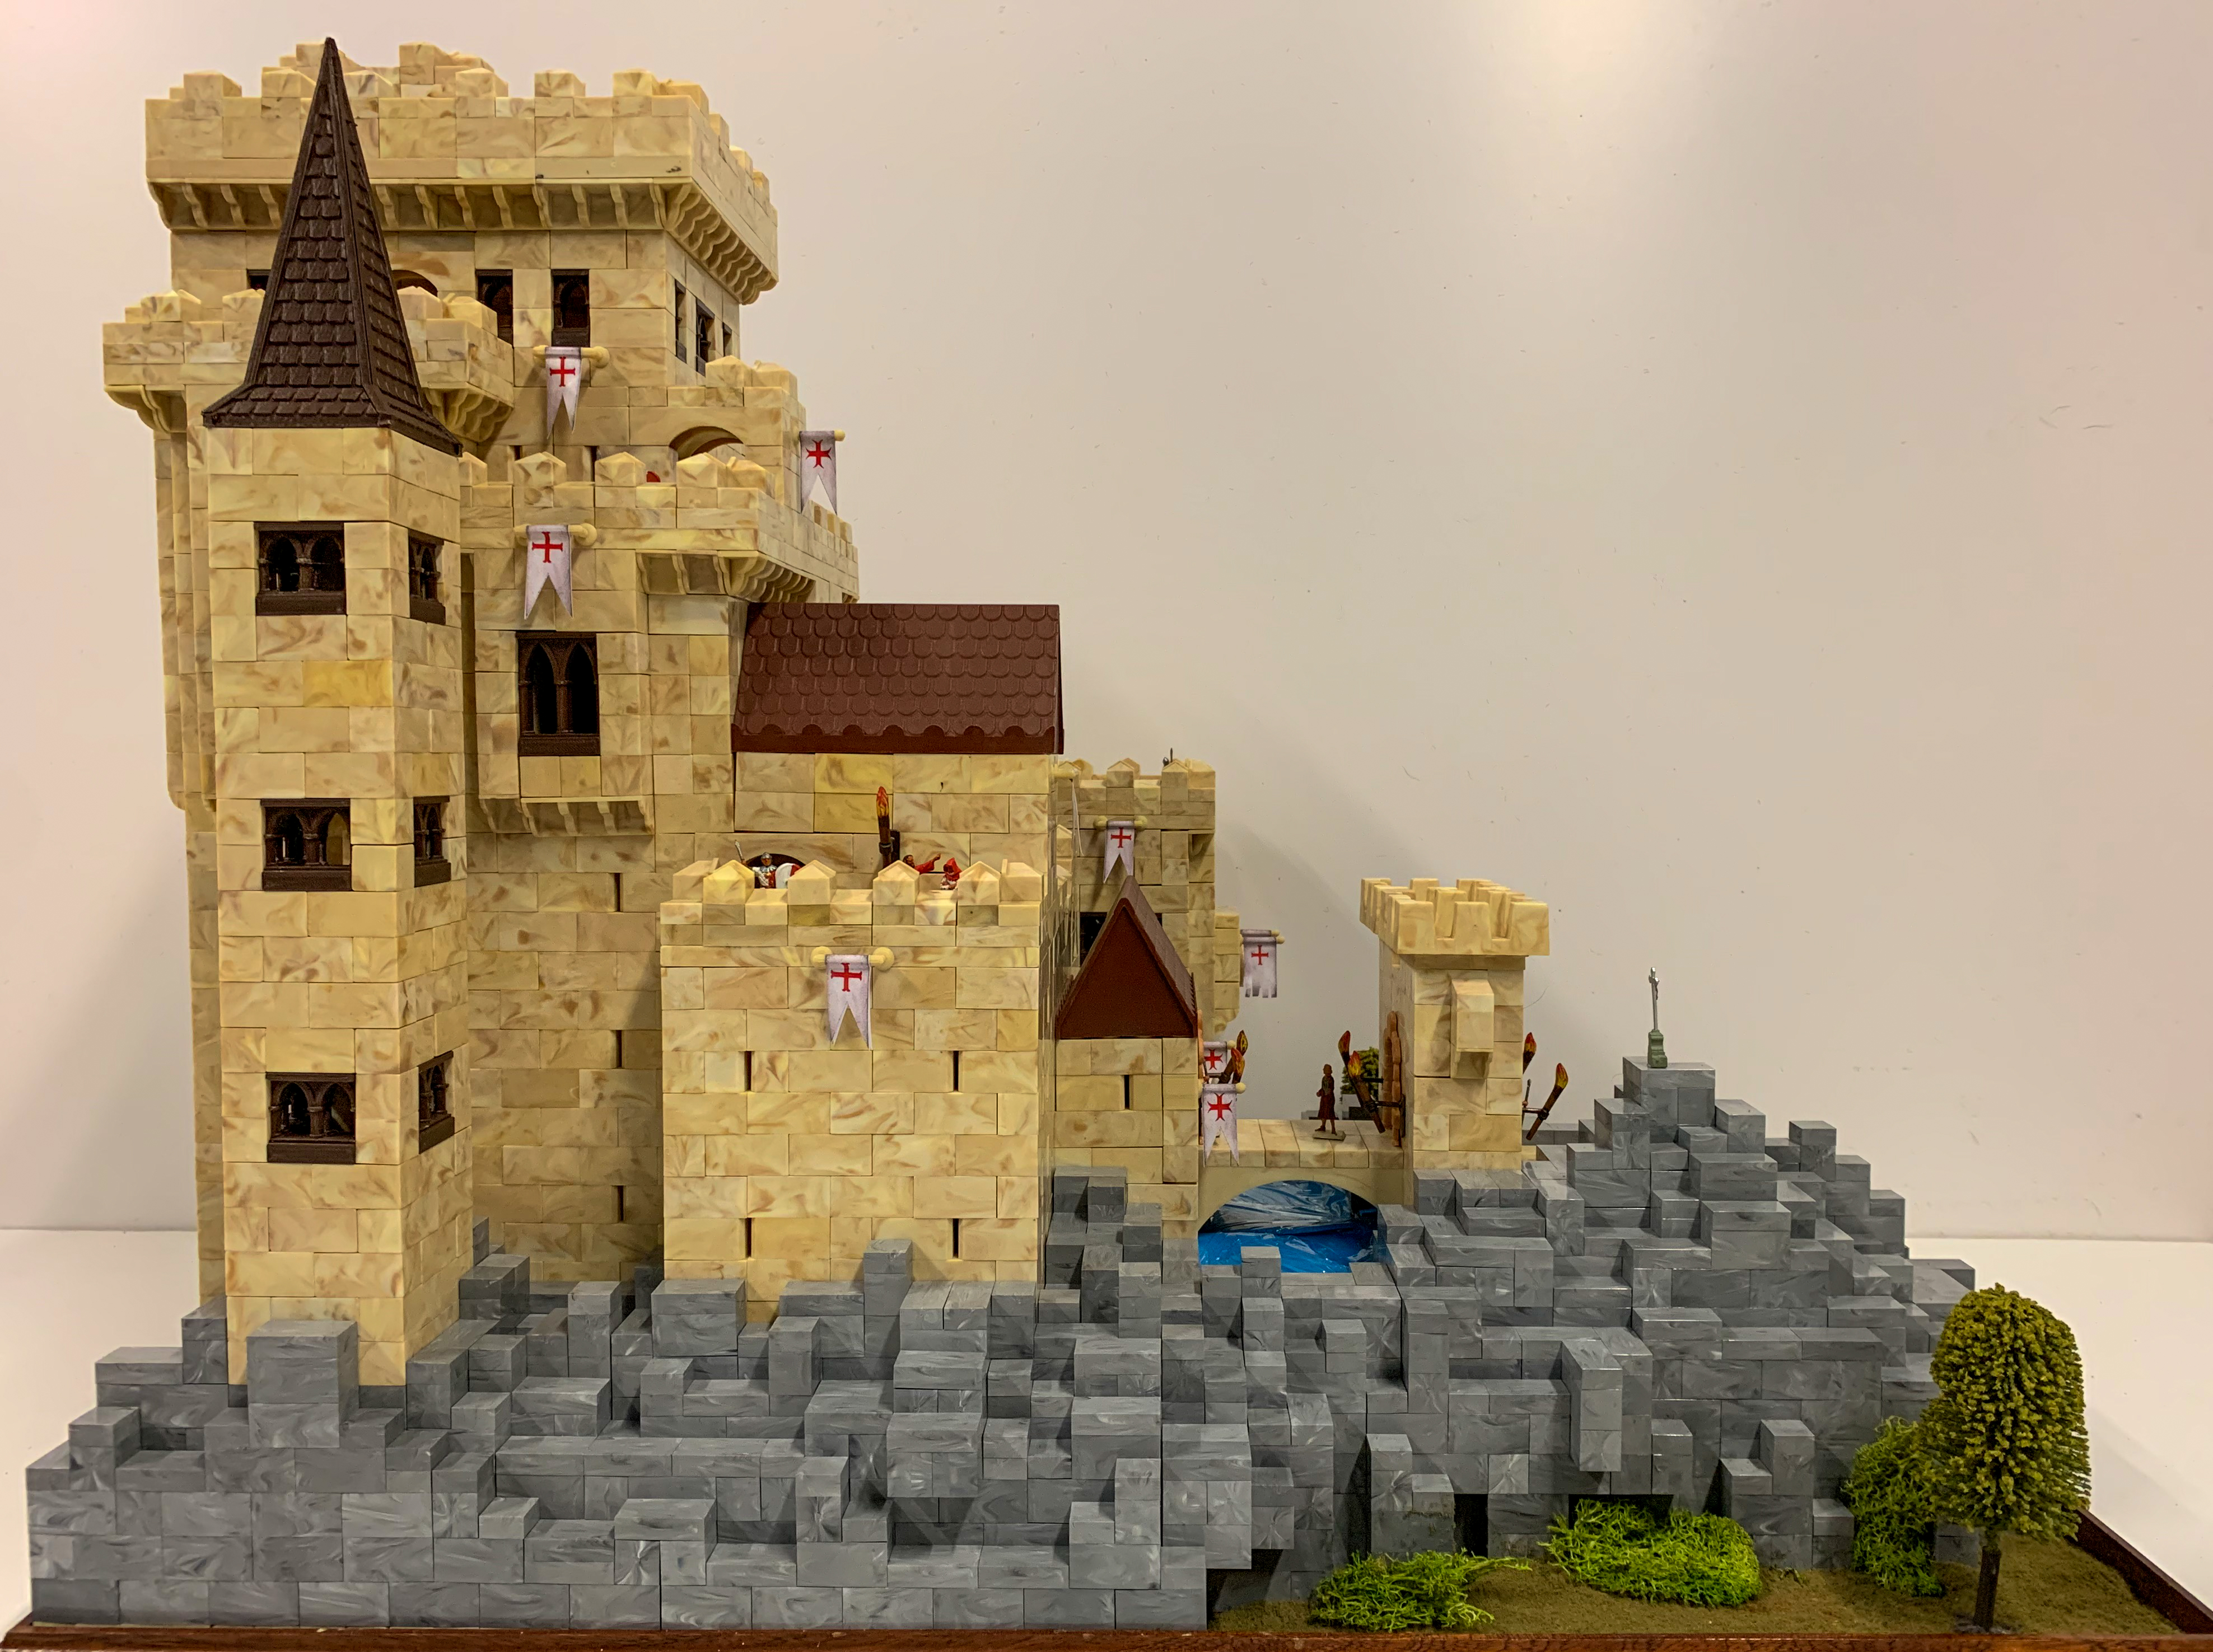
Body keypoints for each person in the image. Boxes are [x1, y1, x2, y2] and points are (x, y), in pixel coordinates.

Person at [1315, 1064, 1341, 1138]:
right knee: (1323, 1113)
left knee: (1330, 1113)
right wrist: (1320, 1092)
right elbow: (1323, 1088)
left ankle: (1333, 1129)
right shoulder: (1324, 1078)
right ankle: (1323, 1126)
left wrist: (1324, 1093)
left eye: (1325, 1069)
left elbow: (1330, 1089)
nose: (1323, 1070)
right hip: (1324, 1098)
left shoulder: (1331, 1079)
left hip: (1329, 1099)